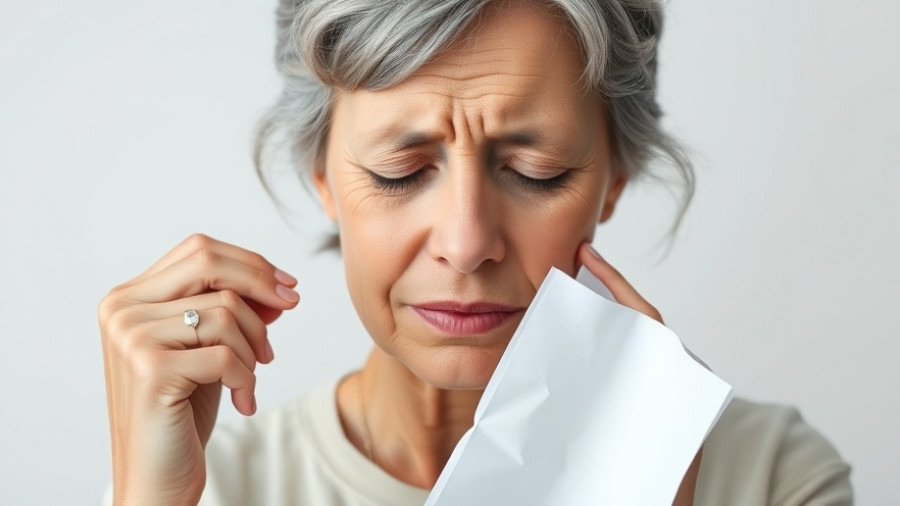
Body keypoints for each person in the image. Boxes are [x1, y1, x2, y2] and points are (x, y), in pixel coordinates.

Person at [99, 1, 853, 504]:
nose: (465, 244)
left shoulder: (773, 477)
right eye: (400, 171)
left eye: (536, 173)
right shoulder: (215, 492)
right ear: (324, 178)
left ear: (612, 182)